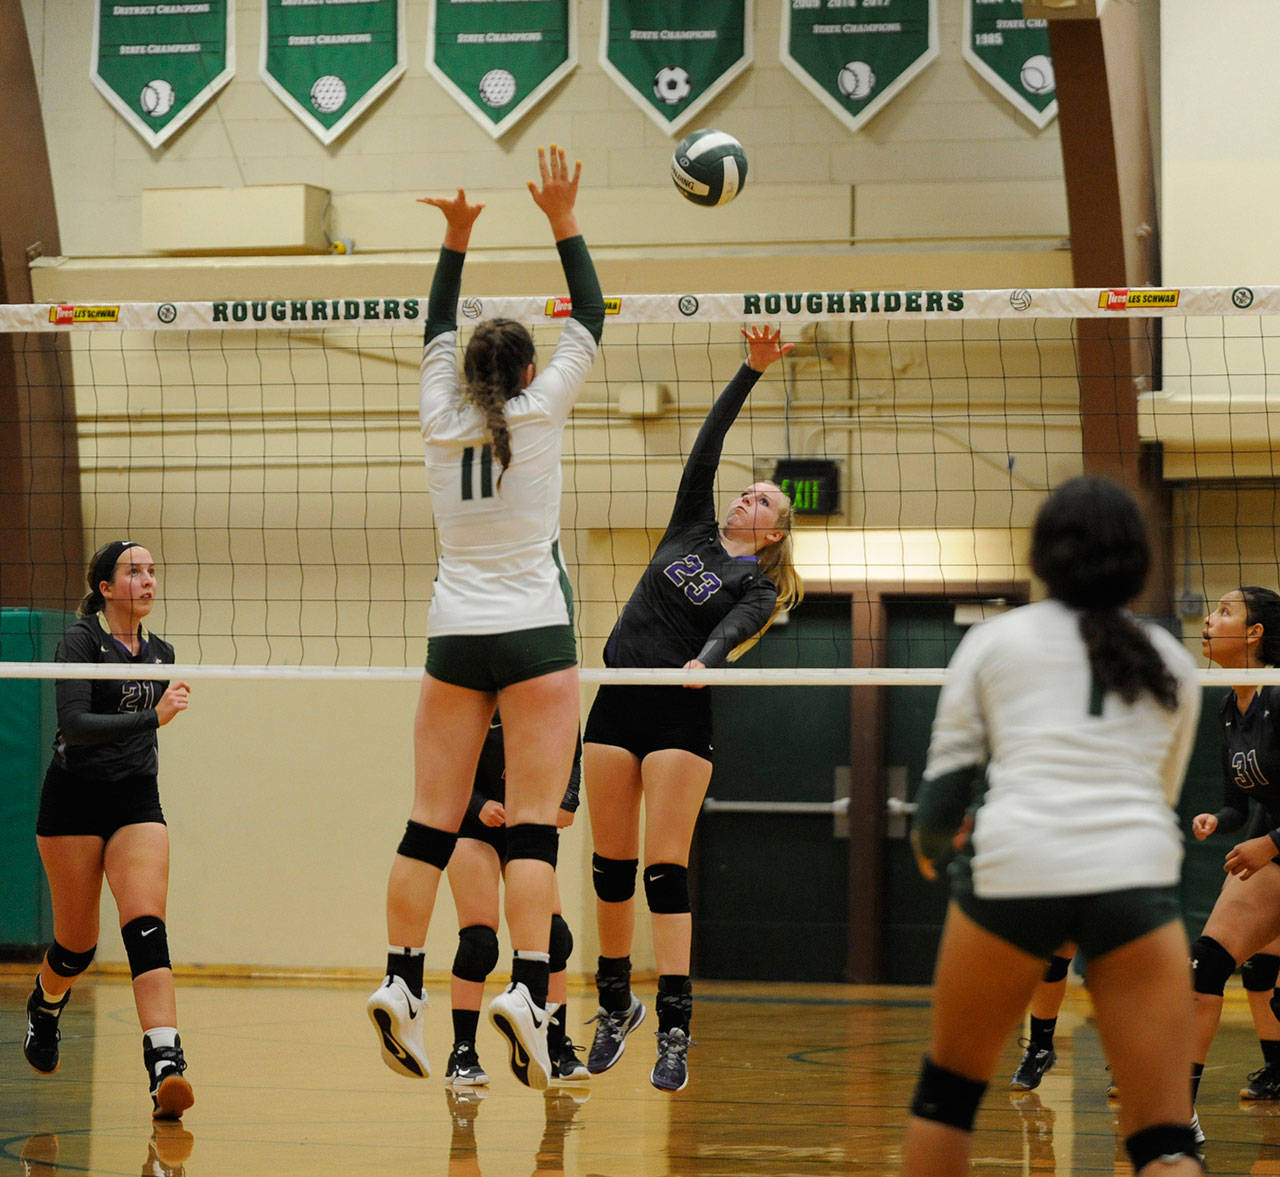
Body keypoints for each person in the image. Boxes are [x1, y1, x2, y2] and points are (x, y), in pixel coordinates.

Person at [366, 144, 604, 1092]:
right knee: (536, 829)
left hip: (453, 634)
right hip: (535, 634)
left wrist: (456, 238)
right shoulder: (541, 412)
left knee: (429, 819)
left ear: (465, 370)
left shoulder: (436, 413)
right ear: (528, 369)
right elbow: (591, 313)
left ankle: (397, 977)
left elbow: (432, 320)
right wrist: (562, 217)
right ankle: (531, 991)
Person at [901, 476, 1204, 1177]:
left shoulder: (993, 642)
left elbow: (944, 795)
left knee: (946, 1098)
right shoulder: (1174, 665)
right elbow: (1160, 798)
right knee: (1163, 1137)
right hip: (1136, 877)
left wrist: (929, 854)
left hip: (1014, 870)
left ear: (1041, 555)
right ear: (1138, 562)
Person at [582, 324, 804, 1093]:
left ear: (771, 530)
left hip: (678, 713)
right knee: (609, 866)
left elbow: (736, 632)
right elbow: (708, 445)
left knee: (661, 869)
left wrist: (704, 664)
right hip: (617, 701)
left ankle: (675, 1025)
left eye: (762, 498)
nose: (747, 494)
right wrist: (750, 370)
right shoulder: (691, 527)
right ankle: (616, 1003)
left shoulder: (759, 584)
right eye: (749, 489)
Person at [24, 540, 194, 1120]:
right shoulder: (80, 639)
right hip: (72, 799)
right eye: (133, 571)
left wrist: (153, 720)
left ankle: (165, 1062)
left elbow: (134, 734)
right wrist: (154, 715)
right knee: (77, 946)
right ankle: (46, 1006)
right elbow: (74, 725)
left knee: (146, 926)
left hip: (134, 800)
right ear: (105, 587)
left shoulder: (161, 653)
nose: (147, 580)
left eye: (151, 571)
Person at [443, 712, 589, 1086]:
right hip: (473, 822)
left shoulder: (550, 686)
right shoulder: (477, 692)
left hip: (530, 819)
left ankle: (557, 1046)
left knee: (556, 937)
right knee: (479, 943)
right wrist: (478, 804)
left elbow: (572, 752)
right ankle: (463, 1052)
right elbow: (445, 763)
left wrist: (568, 801)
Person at [1187, 587, 1280, 1131]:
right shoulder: (1230, 705)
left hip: (1276, 844)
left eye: (1225, 611)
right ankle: (1179, 1115)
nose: (1208, 618)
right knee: (1206, 965)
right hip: (1274, 843)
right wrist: (1217, 821)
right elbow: (1235, 802)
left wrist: (1269, 844)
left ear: (1254, 634)